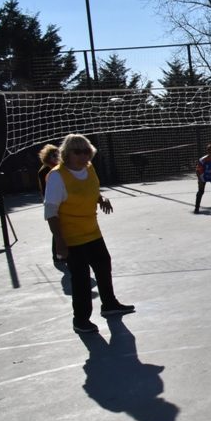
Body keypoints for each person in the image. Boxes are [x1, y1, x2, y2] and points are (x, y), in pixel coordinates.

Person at [43, 134, 135, 333]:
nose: (83, 155)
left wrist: (101, 199)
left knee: (103, 267)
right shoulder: (58, 176)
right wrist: (59, 241)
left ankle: (109, 305)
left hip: (93, 232)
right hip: (72, 237)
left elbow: (91, 191)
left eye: (86, 151)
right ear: (67, 154)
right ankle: (81, 320)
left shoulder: (89, 169)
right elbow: (50, 210)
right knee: (81, 279)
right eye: (77, 151)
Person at [38, 144, 63, 263]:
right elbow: (46, 189)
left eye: (57, 154)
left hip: (61, 200)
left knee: (61, 227)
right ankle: (57, 255)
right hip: (52, 201)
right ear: (48, 157)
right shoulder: (44, 171)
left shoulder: (61, 167)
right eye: (54, 155)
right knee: (56, 228)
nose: (57, 156)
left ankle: (61, 254)